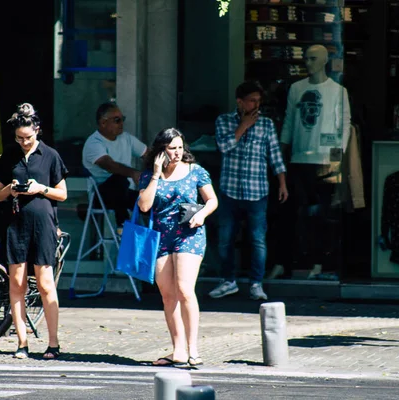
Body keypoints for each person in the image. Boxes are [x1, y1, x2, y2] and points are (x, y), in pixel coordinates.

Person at [137, 128, 218, 367]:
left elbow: (212, 200)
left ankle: (193, 349)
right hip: (161, 237)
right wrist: (155, 174)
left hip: (189, 234)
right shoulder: (150, 174)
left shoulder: (196, 172)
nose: (177, 153)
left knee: (184, 289)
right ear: (160, 150)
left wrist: (202, 214)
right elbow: (144, 206)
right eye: (172, 148)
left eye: (180, 147)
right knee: (168, 294)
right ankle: (178, 349)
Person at [0, 103, 68, 359]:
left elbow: (63, 194)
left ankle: (53, 343)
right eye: (19, 138)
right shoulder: (9, 155)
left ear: (37, 130)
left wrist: (40, 188)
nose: (24, 142)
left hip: (43, 224)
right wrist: (11, 190)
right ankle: (22, 342)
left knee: (46, 284)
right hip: (15, 224)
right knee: (17, 283)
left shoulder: (50, 155)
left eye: (28, 137)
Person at [209, 81, 288, 301]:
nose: (256, 105)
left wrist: (282, 183)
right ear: (240, 102)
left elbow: (275, 156)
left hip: (257, 190)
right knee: (225, 238)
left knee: (257, 239)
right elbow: (223, 147)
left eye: (258, 100)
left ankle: (256, 283)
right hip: (230, 189)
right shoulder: (224, 121)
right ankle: (228, 281)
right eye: (252, 100)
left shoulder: (266, 125)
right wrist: (242, 126)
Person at [279, 44, 351, 280]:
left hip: (325, 162)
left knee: (322, 217)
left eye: (312, 59)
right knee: (296, 216)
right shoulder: (296, 89)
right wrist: (283, 152)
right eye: (306, 58)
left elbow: (343, 128)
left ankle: (320, 263)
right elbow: (289, 121)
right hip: (299, 160)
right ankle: (295, 262)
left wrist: (336, 162)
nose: (307, 63)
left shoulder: (338, 91)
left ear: (324, 61)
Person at [82, 102, 148, 226]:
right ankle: (123, 226)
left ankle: (158, 239)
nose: (122, 123)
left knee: (152, 199)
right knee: (119, 179)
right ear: (103, 123)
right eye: (117, 120)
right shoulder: (94, 143)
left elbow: (147, 154)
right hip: (102, 196)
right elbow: (109, 165)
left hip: (127, 193)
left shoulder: (126, 138)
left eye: (122, 119)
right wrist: (133, 173)